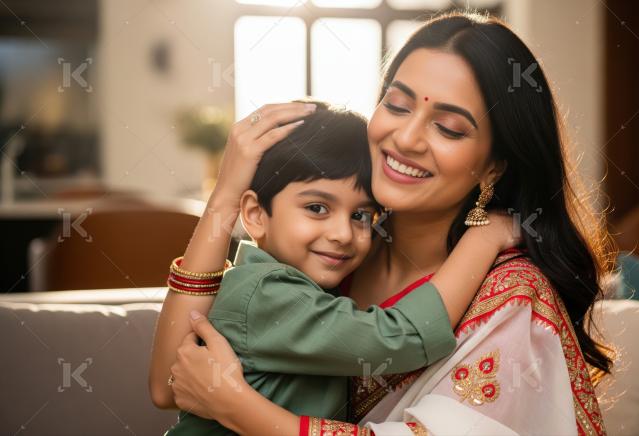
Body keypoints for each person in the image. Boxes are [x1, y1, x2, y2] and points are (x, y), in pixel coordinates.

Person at [165, 11, 615, 436]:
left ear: (494, 167)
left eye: (449, 129)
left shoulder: (512, 299)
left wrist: (240, 410)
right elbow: (170, 382)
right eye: (397, 106)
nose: (405, 138)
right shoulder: (340, 251)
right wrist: (224, 196)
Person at [153, 102, 520, 435]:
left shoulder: (306, 285)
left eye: (361, 215)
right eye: (316, 208)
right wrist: (485, 239)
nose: (343, 234)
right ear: (254, 214)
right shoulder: (269, 292)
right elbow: (400, 337)